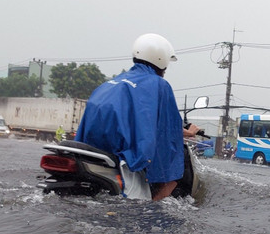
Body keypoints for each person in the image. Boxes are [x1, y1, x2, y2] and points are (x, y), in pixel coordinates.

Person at [75, 33, 199, 201]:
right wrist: (189, 133)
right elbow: (166, 129)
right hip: (124, 159)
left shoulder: (109, 84)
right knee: (174, 174)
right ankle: (155, 204)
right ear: (161, 59)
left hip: (91, 155)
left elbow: (144, 123)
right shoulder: (159, 85)